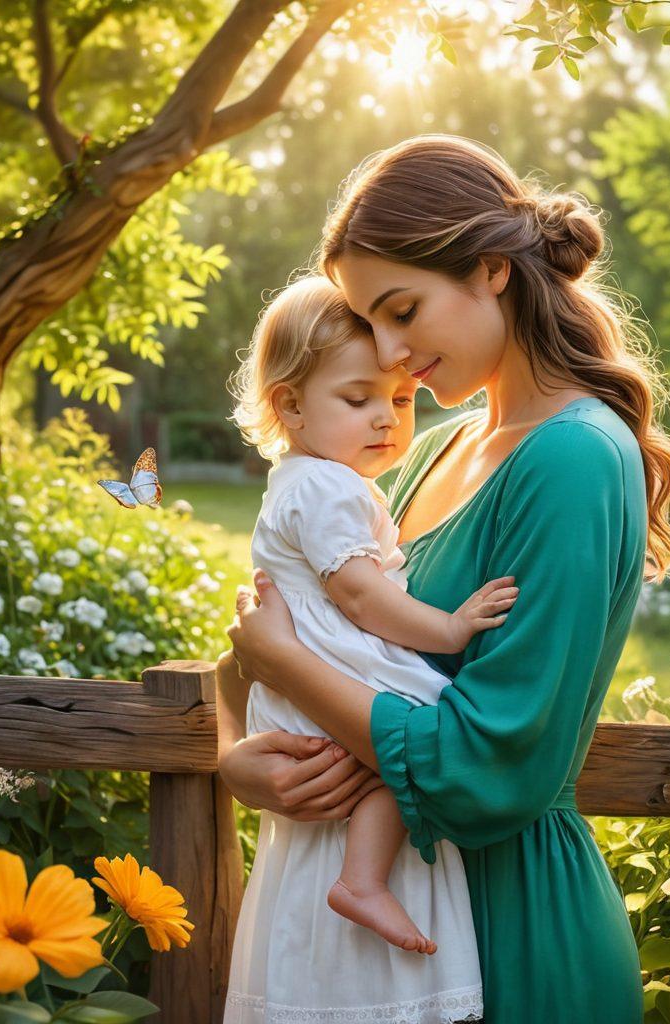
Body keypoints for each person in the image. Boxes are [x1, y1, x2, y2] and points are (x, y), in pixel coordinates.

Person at [222, 134, 670, 1023]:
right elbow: (305, 632)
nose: (392, 355)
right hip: (388, 936)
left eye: (403, 310)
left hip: (513, 926)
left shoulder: (575, 457)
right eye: (373, 325)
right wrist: (241, 761)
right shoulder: (430, 450)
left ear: (489, 270)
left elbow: (492, 764)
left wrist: (288, 671)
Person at [218, 274, 512, 1021]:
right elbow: (359, 595)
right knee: (413, 731)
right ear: (290, 406)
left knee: (392, 750)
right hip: (335, 669)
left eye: (401, 399)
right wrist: (447, 630)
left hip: (312, 673)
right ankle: (363, 882)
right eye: (358, 401)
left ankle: (361, 879)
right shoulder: (327, 489)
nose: (386, 418)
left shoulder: (315, 480)